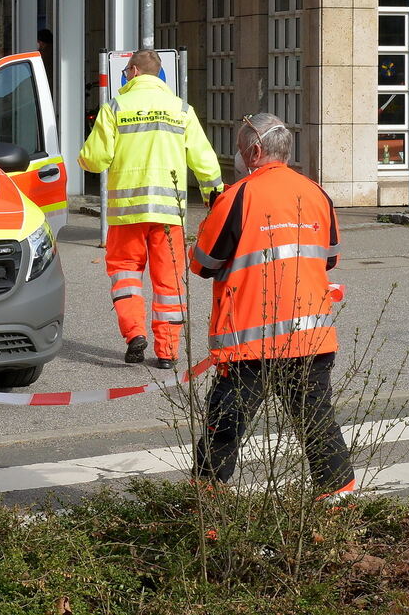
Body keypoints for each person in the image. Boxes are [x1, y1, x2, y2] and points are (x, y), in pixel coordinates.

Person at [189, 113, 355, 499]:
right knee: (319, 428)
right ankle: (339, 510)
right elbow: (328, 257)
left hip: (250, 342)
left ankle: (204, 513)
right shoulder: (316, 192)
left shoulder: (238, 196)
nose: (239, 155)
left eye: (241, 148)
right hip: (310, 338)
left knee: (224, 431)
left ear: (255, 151)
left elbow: (203, 263)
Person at [78, 49, 224, 370]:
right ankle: (168, 352)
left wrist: (83, 157)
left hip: (127, 212)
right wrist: (215, 197)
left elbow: (95, 158)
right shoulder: (181, 110)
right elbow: (204, 159)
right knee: (169, 281)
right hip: (169, 214)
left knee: (126, 275)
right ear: (159, 75)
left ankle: (134, 335)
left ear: (131, 71)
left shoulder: (115, 108)